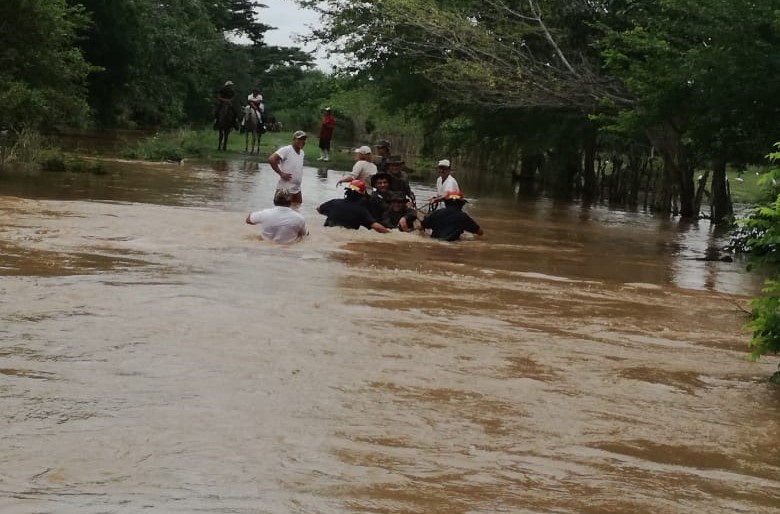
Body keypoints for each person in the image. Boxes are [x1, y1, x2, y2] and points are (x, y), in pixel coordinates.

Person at [316, 180, 389, 233]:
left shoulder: (334, 202)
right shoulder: (361, 211)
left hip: (327, 233)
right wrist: (390, 234)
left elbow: (319, 209)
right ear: (361, 196)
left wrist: (331, 213)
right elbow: (376, 226)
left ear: (347, 192)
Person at [268, 130, 307, 204]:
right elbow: (271, 159)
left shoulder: (302, 152)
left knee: (297, 208)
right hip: (285, 188)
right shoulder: (287, 149)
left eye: (303, 139)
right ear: (293, 140)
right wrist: (281, 173)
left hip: (297, 188)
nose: (302, 141)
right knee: (281, 211)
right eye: (299, 139)